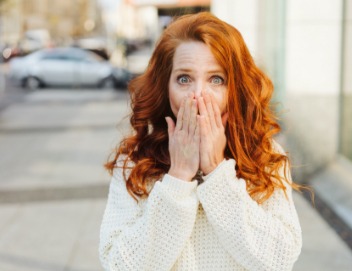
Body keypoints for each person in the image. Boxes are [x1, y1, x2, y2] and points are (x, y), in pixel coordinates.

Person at [99, 12, 302, 271]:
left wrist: (217, 172)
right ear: (165, 86)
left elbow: (279, 260)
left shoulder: (265, 155)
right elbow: (119, 264)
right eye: (184, 79)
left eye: (216, 79)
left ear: (234, 90)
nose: (198, 96)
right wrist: (179, 177)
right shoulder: (135, 162)